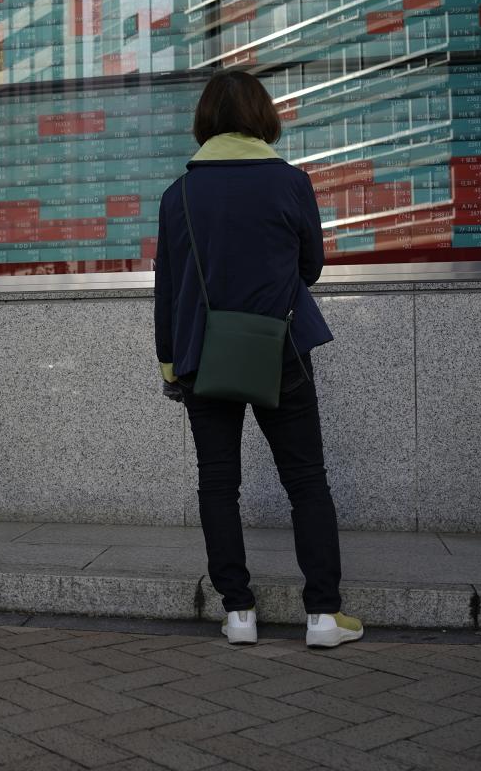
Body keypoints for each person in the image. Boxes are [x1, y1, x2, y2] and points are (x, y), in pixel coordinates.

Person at [153, 70, 363, 649]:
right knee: (306, 480)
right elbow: (310, 267)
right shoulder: (291, 184)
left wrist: (170, 363)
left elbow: (168, 292)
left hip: (203, 356)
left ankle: (238, 612)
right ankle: (322, 615)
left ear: (204, 122)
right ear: (263, 117)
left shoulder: (179, 195)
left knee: (218, 484)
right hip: (281, 349)